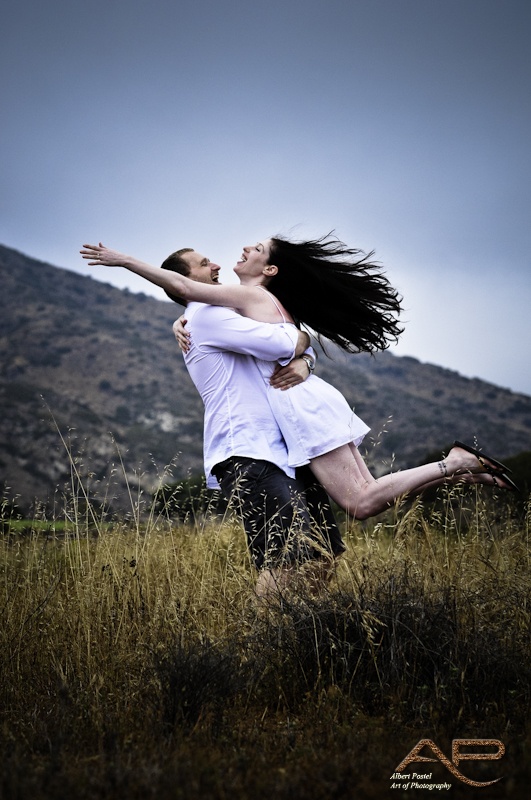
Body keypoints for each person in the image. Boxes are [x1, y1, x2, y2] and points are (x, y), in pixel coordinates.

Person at [81, 235, 517, 522]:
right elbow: (215, 313)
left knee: (360, 502)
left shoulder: (248, 295)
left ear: (269, 270)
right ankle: (459, 470)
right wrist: (181, 320)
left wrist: (122, 260)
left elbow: (191, 292)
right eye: (206, 261)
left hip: (300, 406)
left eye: (253, 250)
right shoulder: (249, 302)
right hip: (308, 398)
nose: (236, 254)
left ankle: (454, 463)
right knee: (362, 497)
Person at [81, 241, 346, 600]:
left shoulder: (218, 314)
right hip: (251, 453)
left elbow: (285, 345)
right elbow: (282, 342)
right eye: (205, 264)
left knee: (323, 553)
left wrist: (307, 359)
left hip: (287, 451)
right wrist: (303, 340)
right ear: (184, 281)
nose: (217, 266)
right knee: (282, 559)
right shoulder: (208, 316)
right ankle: (264, 644)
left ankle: (306, 633)